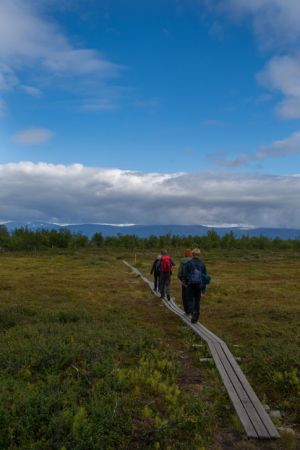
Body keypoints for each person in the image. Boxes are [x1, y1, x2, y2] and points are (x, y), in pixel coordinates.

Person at [184, 248, 207, 324]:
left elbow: (185, 274)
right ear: (199, 254)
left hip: (191, 284)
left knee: (190, 299)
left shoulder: (189, 263)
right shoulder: (202, 263)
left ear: (192, 254)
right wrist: (203, 288)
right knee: (197, 300)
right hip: (199, 285)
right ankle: (196, 316)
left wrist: (186, 282)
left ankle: (192, 311)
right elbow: (204, 276)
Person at [177, 248, 192, 314]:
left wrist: (182, 279)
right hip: (192, 282)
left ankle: (187, 310)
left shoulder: (182, 261)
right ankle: (192, 310)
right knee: (192, 296)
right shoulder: (193, 260)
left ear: (185, 254)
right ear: (191, 254)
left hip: (184, 281)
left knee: (184, 296)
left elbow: (179, 273)